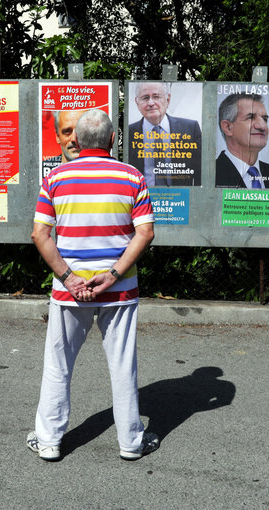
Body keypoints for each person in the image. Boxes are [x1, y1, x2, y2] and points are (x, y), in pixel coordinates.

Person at [27, 109, 159, 462]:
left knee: (58, 365)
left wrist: (69, 278)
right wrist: (113, 274)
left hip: (68, 293)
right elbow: (145, 232)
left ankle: (49, 441)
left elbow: (40, 234)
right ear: (113, 140)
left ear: (77, 141)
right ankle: (131, 442)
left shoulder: (56, 178)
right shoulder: (132, 176)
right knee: (122, 366)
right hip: (119, 291)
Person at [127, 82, 201, 186]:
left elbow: (199, 173)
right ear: (137, 102)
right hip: (143, 199)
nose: (151, 103)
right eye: (145, 98)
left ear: (167, 99)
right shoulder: (129, 133)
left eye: (156, 97)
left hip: (180, 199)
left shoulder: (190, 129)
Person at [214, 93, 269, 189]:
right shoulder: (211, 173)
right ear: (228, 128)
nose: (262, 126)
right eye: (251, 117)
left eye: (264, 119)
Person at [41, 109, 86, 176]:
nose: (74, 139)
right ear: (57, 137)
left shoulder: (104, 171)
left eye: (81, 130)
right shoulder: (40, 172)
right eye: (67, 131)